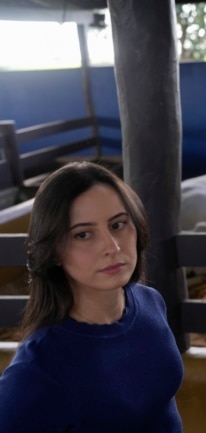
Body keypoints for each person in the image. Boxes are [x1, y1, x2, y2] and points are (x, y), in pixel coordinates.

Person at [0, 161, 184, 433]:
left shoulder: (150, 301)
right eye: (83, 234)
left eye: (118, 224)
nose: (113, 247)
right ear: (54, 251)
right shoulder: (37, 372)